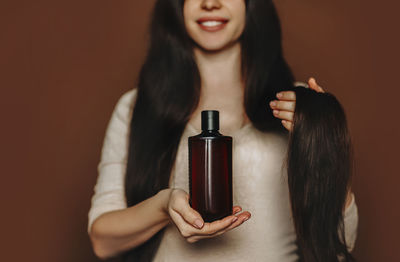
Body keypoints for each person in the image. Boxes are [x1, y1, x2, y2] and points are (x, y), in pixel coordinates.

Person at [88, 0, 358, 261]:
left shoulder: (296, 107)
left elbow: (338, 245)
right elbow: (102, 242)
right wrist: (163, 207)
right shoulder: (136, 107)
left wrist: (325, 144)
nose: (210, 3)